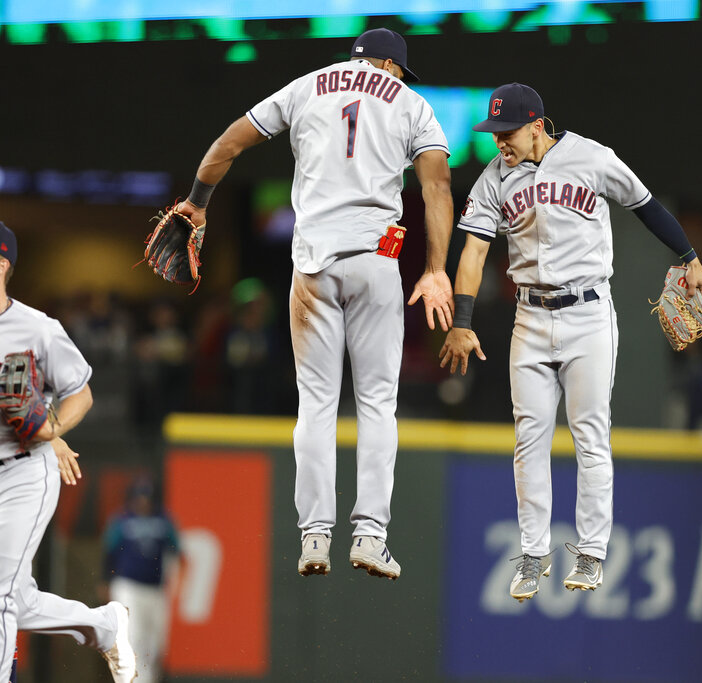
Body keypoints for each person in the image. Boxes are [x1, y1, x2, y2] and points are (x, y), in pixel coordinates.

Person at [172, 28, 455, 580]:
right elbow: (437, 188)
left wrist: (197, 202)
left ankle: (315, 538)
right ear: (392, 66)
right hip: (375, 261)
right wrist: (436, 269)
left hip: (313, 266)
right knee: (375, 402)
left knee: (317, 404)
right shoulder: (412, 103)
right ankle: (370, 536)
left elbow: (228, 142)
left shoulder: (306, 88)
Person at [439, 84, 702, 601]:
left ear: (537, 124)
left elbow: (646, 204)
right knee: (529, 439)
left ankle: (590, 553)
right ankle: (534, 552)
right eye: (494, 133)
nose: (500, 143)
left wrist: (689, 255)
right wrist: (463, 318)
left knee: (589, 435)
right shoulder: (494, 177)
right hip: (531, 318)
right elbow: (472, 251)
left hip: (587, 314)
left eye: (508, 131)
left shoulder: (591, 157)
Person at [0, 221, 137, 682]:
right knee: (15, 599)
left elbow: (80, 393)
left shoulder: (38, 328)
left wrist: (51, 429)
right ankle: (103, 625)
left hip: (23, 471)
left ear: (2, 264)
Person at [100, 475, 181, 683]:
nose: (143, 501)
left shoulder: (164, 520)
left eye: (147, 497)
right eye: (140, 497)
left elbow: (177, 553)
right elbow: (109, 553)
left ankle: (148, 680)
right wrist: (104, 581)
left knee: (155, 644)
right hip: (128, 586)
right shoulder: (122, 520)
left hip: (155, 589)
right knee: (133, 638)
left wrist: (177, 583)